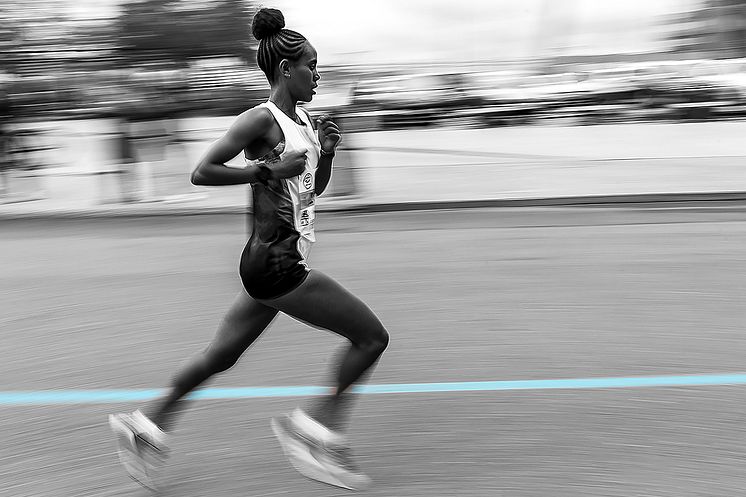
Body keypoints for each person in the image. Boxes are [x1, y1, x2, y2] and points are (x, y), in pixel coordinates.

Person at [108, 7, 389, 492]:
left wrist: (328, 151)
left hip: (272, 260)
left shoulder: (301, 120)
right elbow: (202, 171)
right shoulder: (259, 120)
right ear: (286, 69)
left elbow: (311, 190)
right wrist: (265, 171)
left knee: (220, 356)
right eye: (312, 66)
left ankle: (143, 426)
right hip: (275, 265)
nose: (318, 76)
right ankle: (313, 432)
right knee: (370, 338)